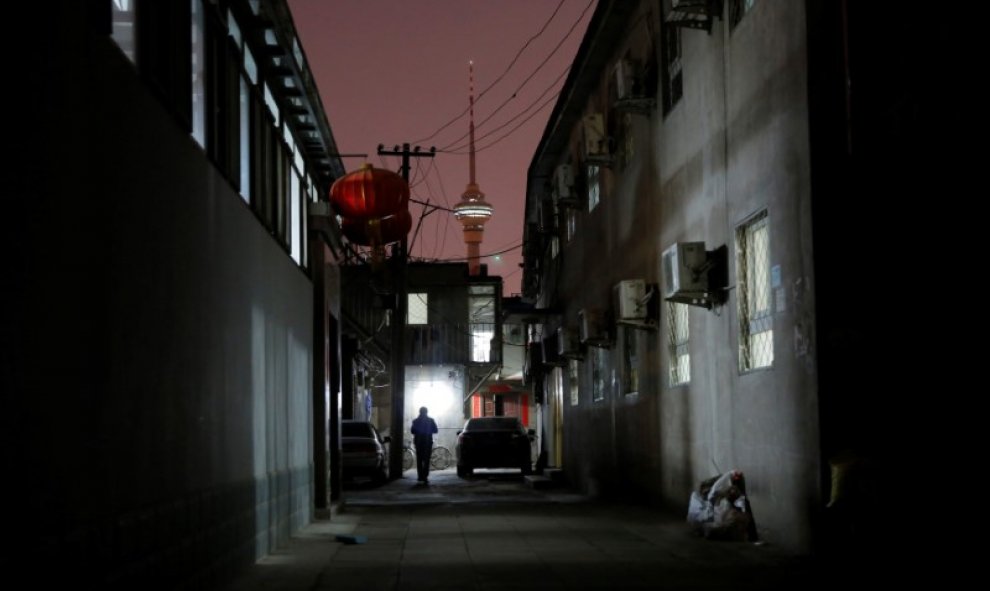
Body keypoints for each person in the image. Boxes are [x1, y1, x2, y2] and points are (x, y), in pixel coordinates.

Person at [410, 406, 438, 483]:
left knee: (419, 460)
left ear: (420, 412)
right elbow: (435, 430)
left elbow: (412, 431)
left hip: (418, 443)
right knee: (426, 460)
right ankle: (425, 476)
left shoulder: (415, 421)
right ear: (426, 412)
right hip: (428, 442)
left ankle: (420, 476)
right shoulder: (431, 420)